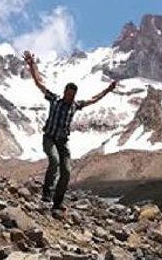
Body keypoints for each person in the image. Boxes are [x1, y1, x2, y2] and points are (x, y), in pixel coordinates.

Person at [23, 50, 117, 215]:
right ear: (65, 92)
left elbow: (94, 99)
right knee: (54, 161)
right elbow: (39, 82)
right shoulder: (54, 99)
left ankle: (57, 203)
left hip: (63, 141)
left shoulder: (75, 105)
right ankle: (46, 195)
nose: (70, 98)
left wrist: (108, 90)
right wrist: (32, 65)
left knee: (66, 170)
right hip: (49, 138)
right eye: (68, 94)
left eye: (73, 95)